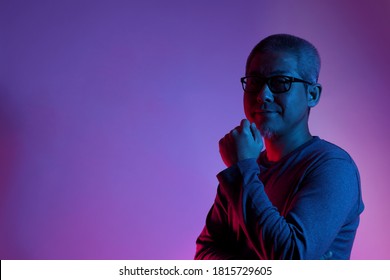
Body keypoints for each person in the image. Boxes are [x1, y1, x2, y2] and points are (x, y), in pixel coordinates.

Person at [194, 34, 364, 260]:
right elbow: (205, 251)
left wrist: (242, 168)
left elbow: (291, 258)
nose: (263, 95)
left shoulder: (333, 167)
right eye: (254, 82)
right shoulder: (246, 169)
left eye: (281, 82)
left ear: (312, 94)